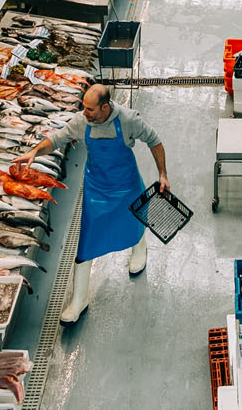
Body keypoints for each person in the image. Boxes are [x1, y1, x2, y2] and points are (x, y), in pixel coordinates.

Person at [17, 84, 166, 324]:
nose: (84, 113)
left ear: (105, 107)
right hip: (97, 188)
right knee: (86, 243)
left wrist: (163, 175)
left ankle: (140, 248)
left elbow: (154, 141)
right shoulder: (81, 122)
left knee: (134, 221)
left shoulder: (128, 120)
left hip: (126, 184)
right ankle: (79, 300)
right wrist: (35, 151)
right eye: (83, 108)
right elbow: (56, 139)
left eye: (89, 109)